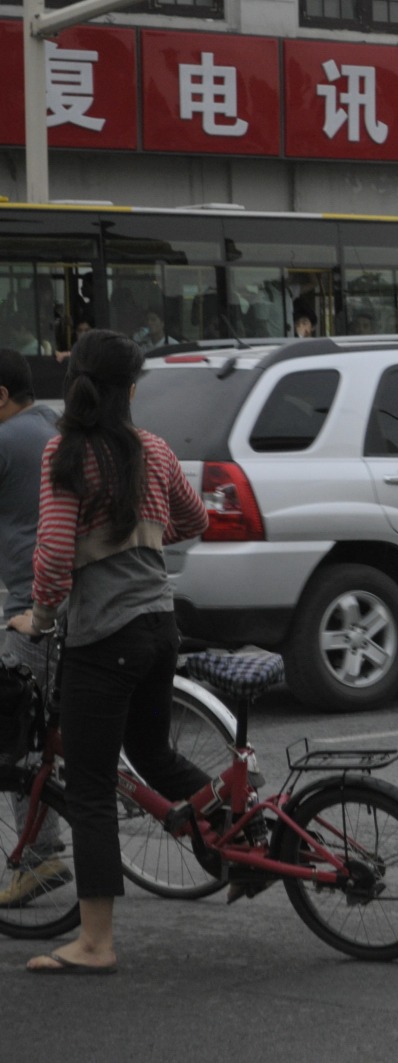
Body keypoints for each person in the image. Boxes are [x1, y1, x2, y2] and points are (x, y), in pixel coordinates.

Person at [7, 330, 211, 973]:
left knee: (91, 787)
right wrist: (140, 535)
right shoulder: (154, 449)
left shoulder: (66, 452)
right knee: (154, 753)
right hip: (159, 625)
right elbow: (195, 521)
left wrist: (38, 618)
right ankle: (239, 832)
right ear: (131, 391)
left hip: (105, 637)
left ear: (75, 385)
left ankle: (95, 943)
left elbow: (53, 555)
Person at [0, 349, 69, 907]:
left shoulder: (5, 440)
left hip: (35, 606)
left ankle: (42, 852)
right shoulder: (49, 423)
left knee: (15, 730)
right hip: (78, 601)